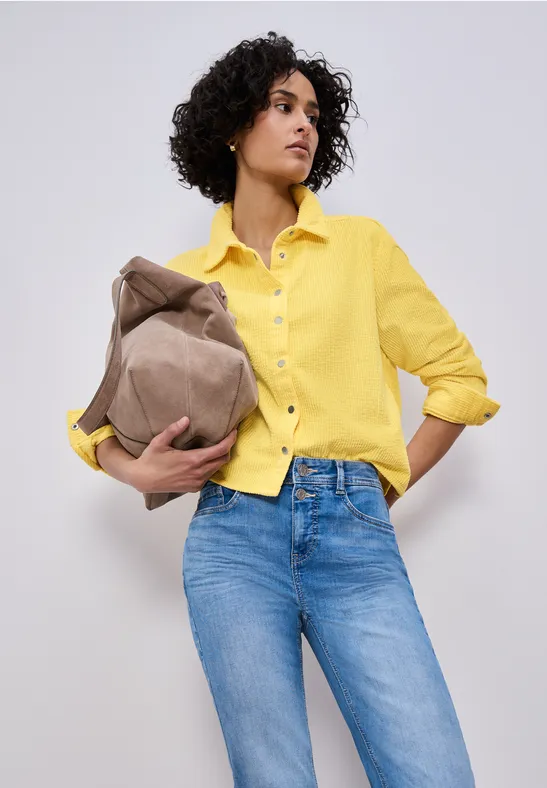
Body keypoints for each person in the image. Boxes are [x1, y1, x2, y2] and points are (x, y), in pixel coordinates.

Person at [67, 31, 500, 787]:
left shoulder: (361, 248)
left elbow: (458, 381)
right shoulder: (183, 278)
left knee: (433, 772)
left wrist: (379, 487)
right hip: (231, 543)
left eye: (314, 114)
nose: (305, 124)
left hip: (355, 536)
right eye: (282, 105)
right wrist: (138, 472)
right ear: (234, 126)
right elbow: (93, 420)